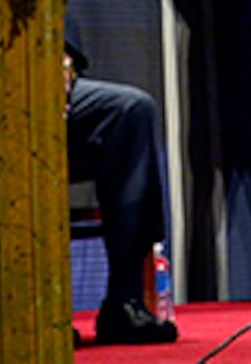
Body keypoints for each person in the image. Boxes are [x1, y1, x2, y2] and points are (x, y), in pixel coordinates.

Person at [65, 36, 178, 344]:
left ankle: (125, 300)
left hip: (52, 74)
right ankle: (38, 311)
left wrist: (62, 58)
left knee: (132, 108)